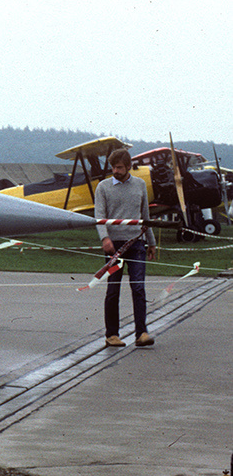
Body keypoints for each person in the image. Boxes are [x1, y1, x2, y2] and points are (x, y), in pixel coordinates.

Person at [95, 147, 156, 348]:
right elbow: (99, 217)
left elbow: (145, 216)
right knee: (113, 290)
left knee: (138, 288)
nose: (115, 171)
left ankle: (142, 333)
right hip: (114, 247)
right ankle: (111, 334)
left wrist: (151, 242)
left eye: (119, 167)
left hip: (136, 244)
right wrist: (105, 239)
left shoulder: (139, 185)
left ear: (129, 166)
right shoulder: (103, 187)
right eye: (113, 167)